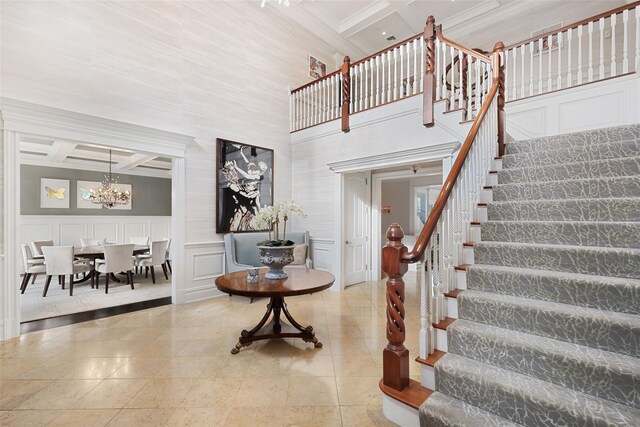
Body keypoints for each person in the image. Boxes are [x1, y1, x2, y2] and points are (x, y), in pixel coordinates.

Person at [220, 145, 268, 231]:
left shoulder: (257, 175)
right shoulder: (254, 168)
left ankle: (260, 220)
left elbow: (246, 175)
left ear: (261, 169)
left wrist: (236, 167)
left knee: (257, 206)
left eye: (259, 164)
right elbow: (247, 162)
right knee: (250, 207)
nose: (258, 164)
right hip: (247, 189)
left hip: (253, 191)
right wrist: (242, 153)